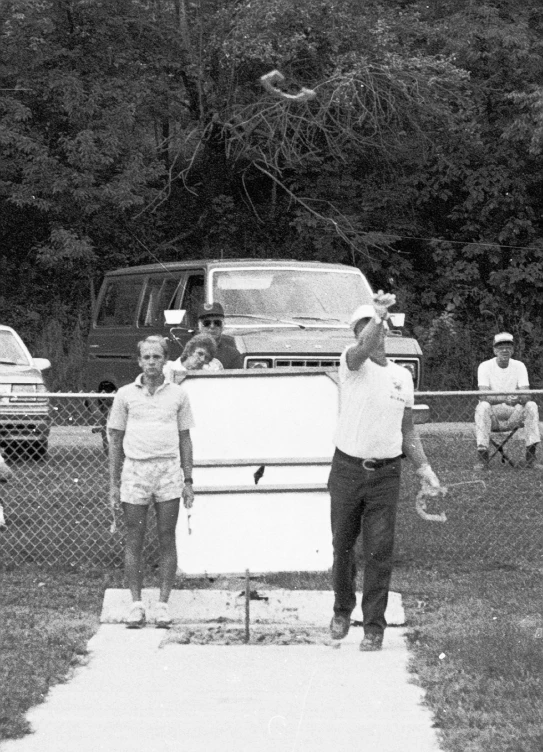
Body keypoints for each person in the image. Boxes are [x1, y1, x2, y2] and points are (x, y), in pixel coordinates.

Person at [328, 292, 445, 651]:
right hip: (347, 469)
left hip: (386, 473)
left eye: (377, 328)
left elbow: (407, 429)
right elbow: (363, 348)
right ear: (357, 335)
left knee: (379, 549)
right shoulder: (351, 364)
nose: (373, 335)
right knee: (342, 547)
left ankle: (374, 627)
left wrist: (424, 468)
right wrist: (378, 317)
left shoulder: (402, 377)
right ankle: (342, 609)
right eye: (364, 329)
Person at [108, 335, 195, 629]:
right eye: (146, 357)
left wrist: (188, 479)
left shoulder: (178, 395)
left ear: (165, 360)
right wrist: (113, 483)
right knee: (135, 536)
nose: (151, 363)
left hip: (168, 471)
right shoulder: (124, 395)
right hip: (135, 471)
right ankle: (135, 604)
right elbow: (115, 440)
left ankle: (162, 604)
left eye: (157, 357)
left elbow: (185, 438)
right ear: (139, 361)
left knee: (166, 536)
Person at [475, 332, 541, 469]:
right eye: (500, 347)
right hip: (493, 415)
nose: (504, 350)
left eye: (508, 347)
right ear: (494, 350)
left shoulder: (520, 366)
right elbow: (483, 395)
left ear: (512, 350)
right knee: (482, 407)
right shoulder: (485, 366)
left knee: (531, 405)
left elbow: (526, 394)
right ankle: (482, 458)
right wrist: (506, 398)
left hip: (514, 413)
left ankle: (531, 458)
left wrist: (517, 398)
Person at [196, 302, 243, 369]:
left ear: (223, 325)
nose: (212, 326)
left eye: (217, 323)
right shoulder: (188, 352)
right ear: (199, 325)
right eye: (206, 323)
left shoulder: (233, 355)